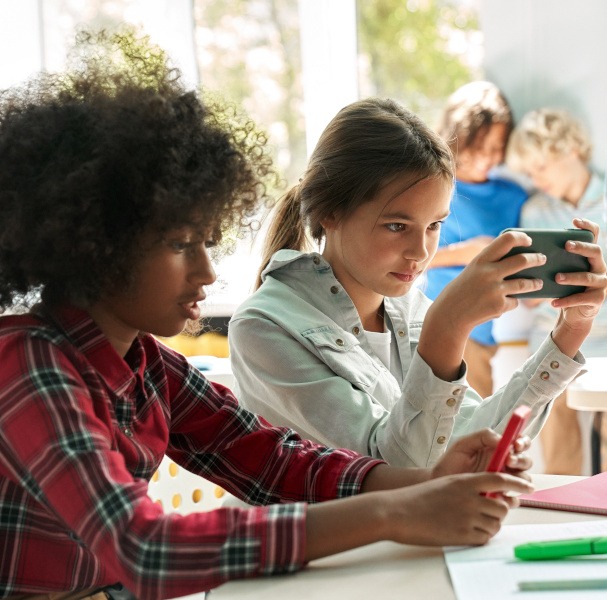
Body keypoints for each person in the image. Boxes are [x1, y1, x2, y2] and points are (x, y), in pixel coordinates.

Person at [0, 29, 539, 599]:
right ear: (98, 244)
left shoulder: (148, 365)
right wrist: (394, 512)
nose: (208, 272)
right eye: (182, 243)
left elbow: (273, 462)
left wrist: (424, 484)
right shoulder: (28, 363)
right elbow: (146, 549)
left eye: (208, 241)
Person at [228, 95, 607, 469]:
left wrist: (570, 331)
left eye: (434, 226)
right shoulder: (264, 328)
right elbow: (400, 473)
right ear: (330, 211)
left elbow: (473, 441)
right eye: (397, 226)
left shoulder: (407, 307)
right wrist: (447, 327)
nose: (420, 252)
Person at [504, 107, 607, 474]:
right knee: (556, 445)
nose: (536, 178)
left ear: (572, 151)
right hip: (552, 341)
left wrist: (601, 286)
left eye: (541, 167)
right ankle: (562, 515)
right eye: (529, 171)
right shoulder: (535, 211)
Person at [421, 81, 529, 397]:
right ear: (458, 137)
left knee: (472, 427)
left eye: (497, 148)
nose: (488, 157)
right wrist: (467, 253)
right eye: (480, 147)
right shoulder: (433, 186)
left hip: (483, 330)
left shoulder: (513, 197)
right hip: (433, 321)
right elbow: (409, 258)